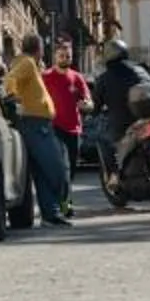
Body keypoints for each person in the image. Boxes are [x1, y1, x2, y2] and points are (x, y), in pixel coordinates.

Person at [2, 32, 71, 225]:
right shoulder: (27, 63)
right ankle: (58, 208)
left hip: (37, 124)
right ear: (39, 49)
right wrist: (12, 95)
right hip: (35, 125)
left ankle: (51, 214)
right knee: (57, 168)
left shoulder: (28, 64)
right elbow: (10, 79)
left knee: (42, 172)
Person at [40, 40, 93, 218]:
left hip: (74, 129)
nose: (65, 58)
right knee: (63, 168)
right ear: (55, 57)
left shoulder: (77, 78)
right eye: (61, 56)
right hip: (54, 127)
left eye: (68, 56)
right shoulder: (46, 76)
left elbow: (89, 103)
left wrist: (85, 104)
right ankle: (63, 205)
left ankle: (63, 201)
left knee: (70, 170)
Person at [92, 38, 150, 169]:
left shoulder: (105, 78)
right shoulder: (141, 70)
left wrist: (91, 111)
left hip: (123, 124)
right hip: (146, 120)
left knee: (103, 140)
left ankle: (113, 175)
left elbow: (95, 106)